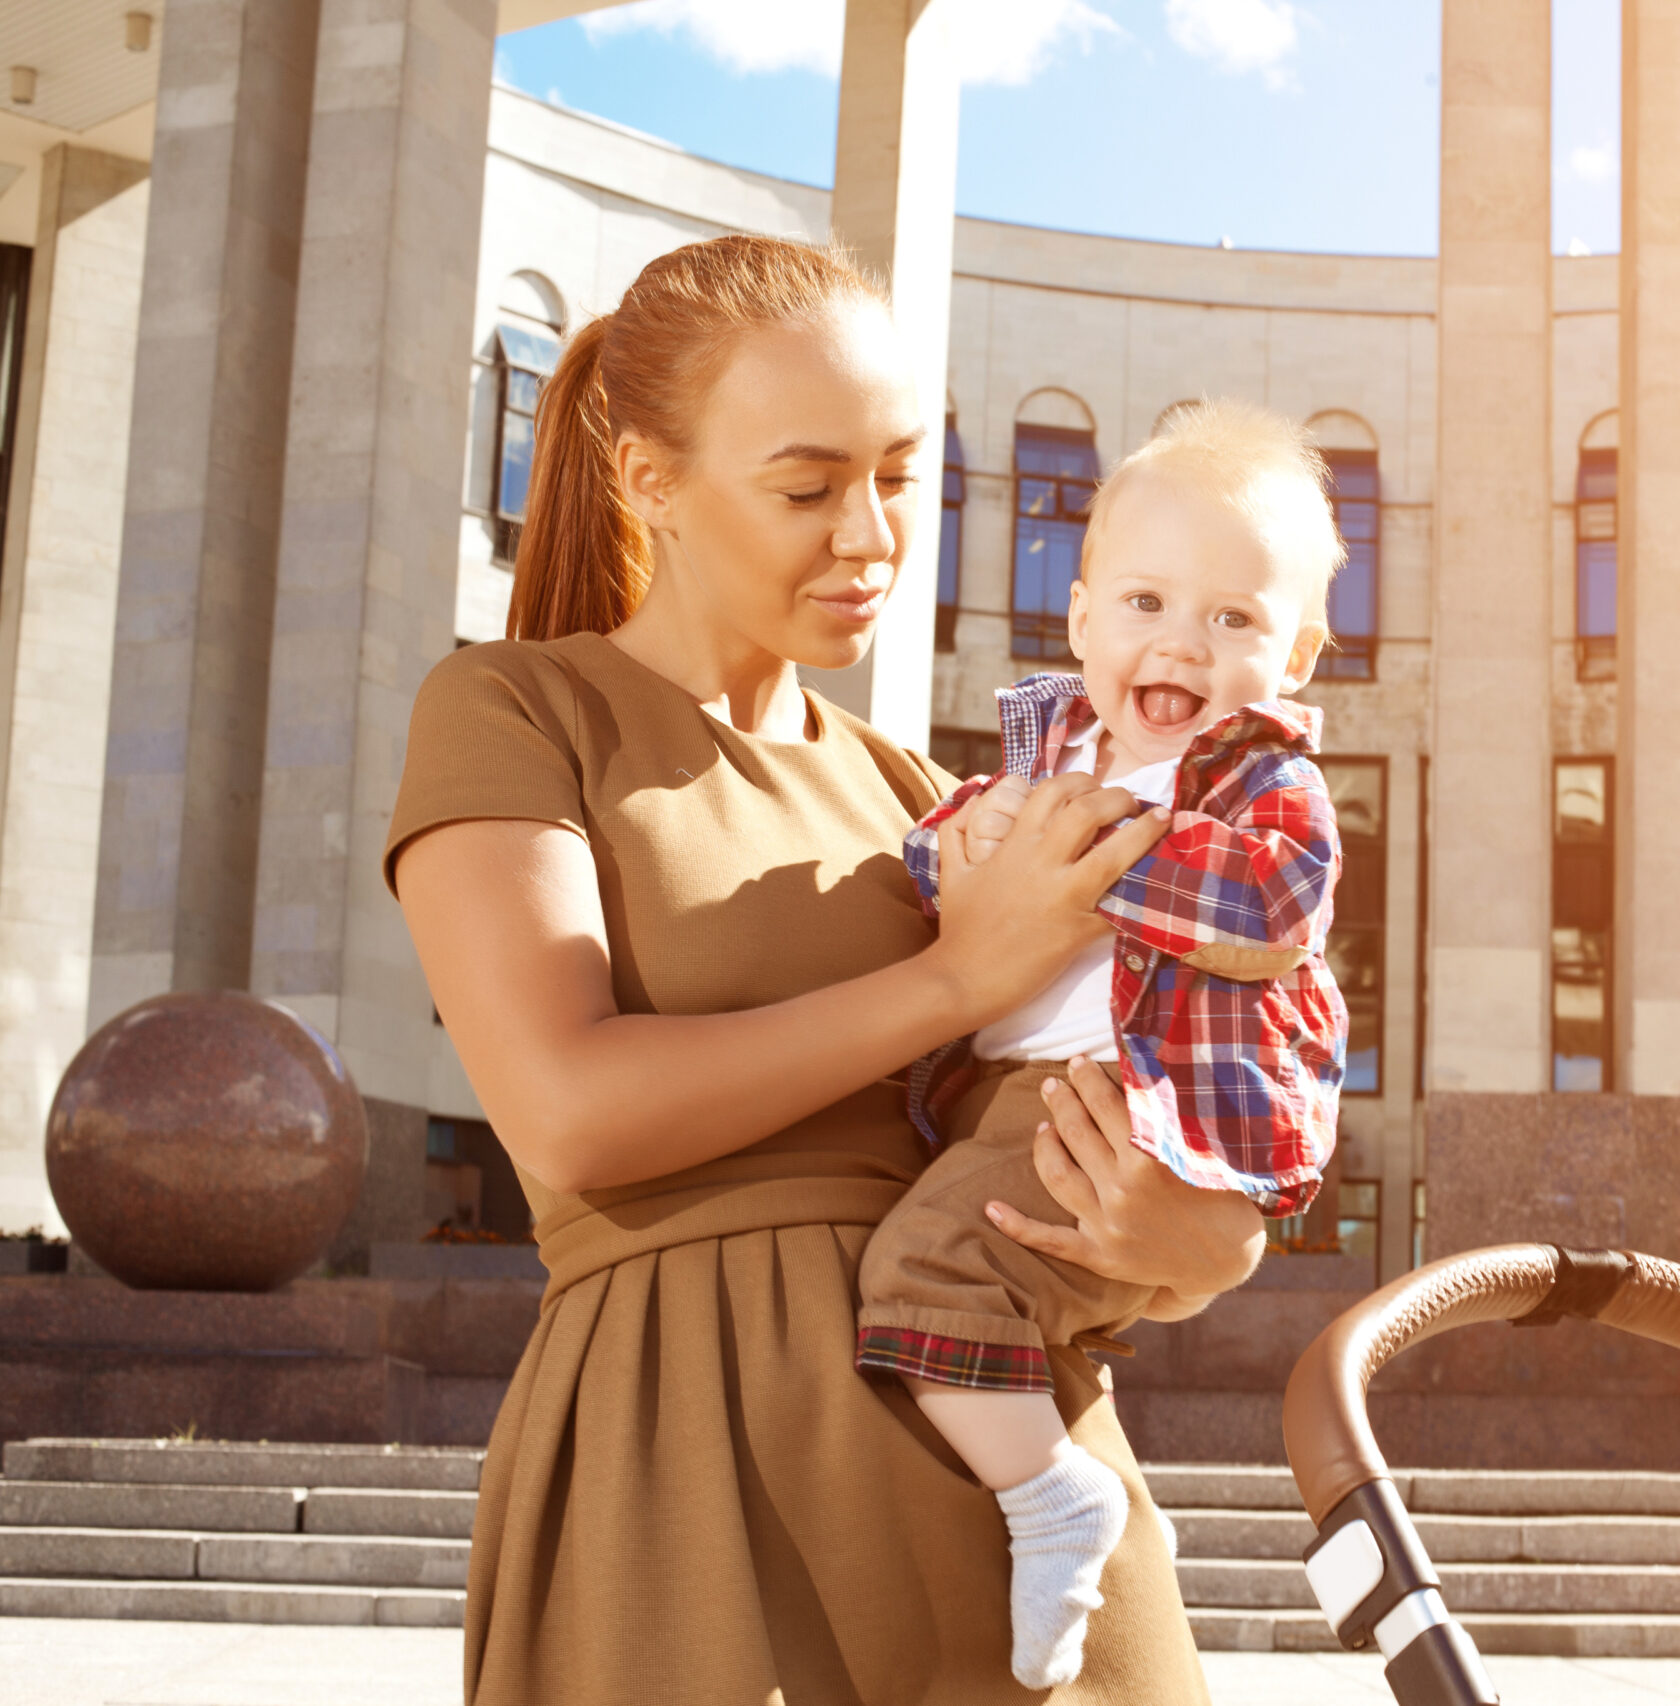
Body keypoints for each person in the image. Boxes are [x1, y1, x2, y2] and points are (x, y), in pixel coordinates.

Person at [385, 234, 1250, 1705]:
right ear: (649, 478)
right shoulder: (515, 709)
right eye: (807, 487)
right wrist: (949, 980)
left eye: (901, 475)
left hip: (1015, 1474)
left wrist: (1186, 1246)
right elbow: (569, 1109)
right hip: (689, 1464)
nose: (871, 537)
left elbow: (1050, 1115)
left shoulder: (922, 792)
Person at [858, 401, 1348, 1687]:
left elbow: (1272, 906)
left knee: (926, 1276)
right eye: (1144, 601)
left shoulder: (1253, 780)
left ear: (1293, 655)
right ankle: (1054, 1480)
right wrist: (957, 845)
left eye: (1233, 619)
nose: (1180, 638)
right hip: (997, 1097)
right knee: (962, 1284)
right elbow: (940, 851)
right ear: (1080, 623)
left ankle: (1055, 1501)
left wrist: (1080, 856)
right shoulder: (1051, 750)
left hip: (1117, 1103)